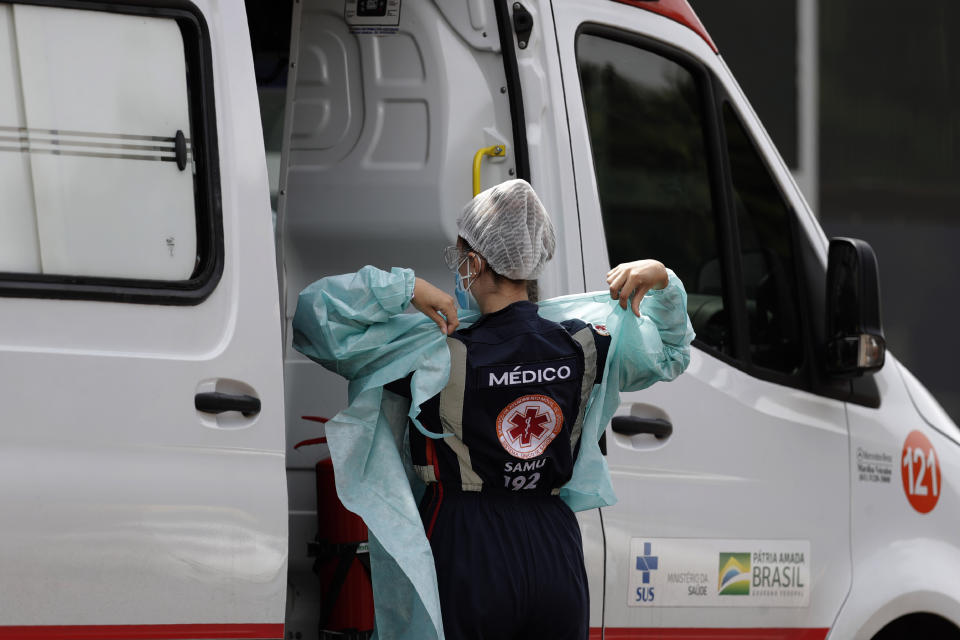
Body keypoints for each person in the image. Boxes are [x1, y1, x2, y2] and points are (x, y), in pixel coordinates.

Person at [292, 179, 694, 640]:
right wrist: (664, 280)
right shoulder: (587, 342)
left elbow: (314, 322)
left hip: (467, 540)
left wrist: (403, 289)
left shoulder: (435, 349)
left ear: (475, 262)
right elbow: (669, 353)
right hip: (554, 546)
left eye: (458, 253)